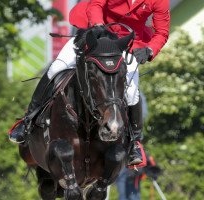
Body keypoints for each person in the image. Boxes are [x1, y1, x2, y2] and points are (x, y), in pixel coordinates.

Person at [9, 0, 170, 167]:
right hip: (96, 32)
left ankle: (134, 142)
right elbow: (96, 5)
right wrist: (98, 25)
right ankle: (27, 122)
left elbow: (162, 32)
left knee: (131, 92)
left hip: (126, 43)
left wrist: (149, 50)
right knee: (56, 68)